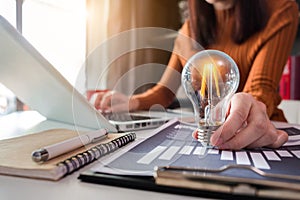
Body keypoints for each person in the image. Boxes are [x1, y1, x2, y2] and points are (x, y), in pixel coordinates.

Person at [92, 0, 299, 149]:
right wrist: (131, 101)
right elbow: (164, 92)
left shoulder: (280, 10)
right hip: (206, 138)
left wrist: (251, 107)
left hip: (258, 133)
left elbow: (260, 89)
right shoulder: (190, 28)